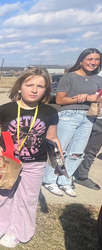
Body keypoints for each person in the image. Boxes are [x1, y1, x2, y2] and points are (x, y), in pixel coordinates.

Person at [0, 68, 60, 248]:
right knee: (3, 193)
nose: (34, 90)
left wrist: (59, 162)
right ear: (20, 87)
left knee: (28, 198)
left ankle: (18, 232)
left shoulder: (50, 112)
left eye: (40, 86)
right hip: (8, 162)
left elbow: (52, 138)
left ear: (46, 90)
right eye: (29, 85)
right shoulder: (5, 110)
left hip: (35, 164)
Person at [41, 48, 102, 197]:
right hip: (69, 115)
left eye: (96, 59)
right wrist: (84, 98)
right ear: (81, 60)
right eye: (89, 59)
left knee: (77, 153)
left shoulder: (99, 79)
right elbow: (60, 100)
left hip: (89, 117)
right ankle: (49, 180)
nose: (93, 63)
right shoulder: (69, 77)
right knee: (59, 151)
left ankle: (65, 181)